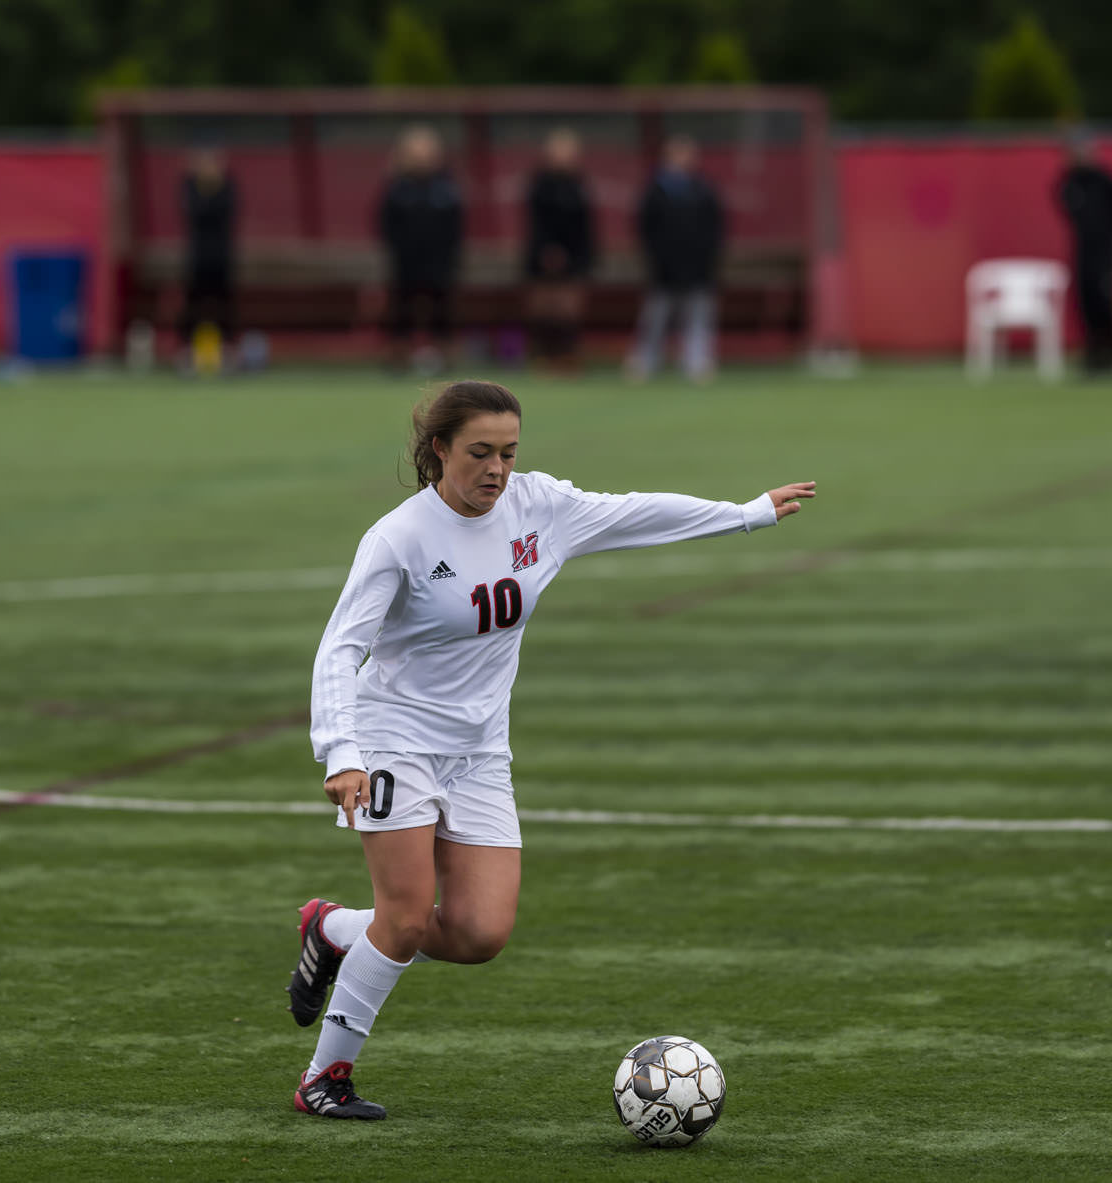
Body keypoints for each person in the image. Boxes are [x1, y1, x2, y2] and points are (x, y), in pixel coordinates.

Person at [288, 379, 814, 1119]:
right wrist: (341, 751)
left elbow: (633, 512)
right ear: (439, 450)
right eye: (479, 452)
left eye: (507, 451)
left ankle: (333, 927)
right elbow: (340, 648)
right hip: (392, 740)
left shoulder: (540, 506)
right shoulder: (399, 537)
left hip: (479, 752)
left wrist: (747, 515)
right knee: (405, 918)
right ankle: (325, 1078)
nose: (496, 469)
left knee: (478, 933)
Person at [630, 135, 724, 384]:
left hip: (697, 263)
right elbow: (645, 228)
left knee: (699, 315)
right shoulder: (656, 190)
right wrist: (655, 256)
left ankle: (697, 362)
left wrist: (707, 254)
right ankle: (645, 362)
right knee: (656, 315)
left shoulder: (703, 189)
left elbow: (714, 227)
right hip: (664, 264)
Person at [377, 128, 464, 374]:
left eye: (427, 152)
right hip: (406, 264)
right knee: (402, 310)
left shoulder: (447, 189)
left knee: (442, 310)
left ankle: (447, 360)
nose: (422, 158)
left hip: (440, 263)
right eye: (416, 152)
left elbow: (455, 227)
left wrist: (449, 256)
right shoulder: (396, 189)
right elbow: (386, 226)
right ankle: (397, 359)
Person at [1054, 129, 1112, 376]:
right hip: (1083, 251)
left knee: (1105, 300)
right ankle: (1093, 353)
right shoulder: (1070, 182)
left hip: (1106, 251)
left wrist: (1108, 233)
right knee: (1085, 301)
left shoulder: (1105, 181)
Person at [522, 129, 596, 373]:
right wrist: (546, 250)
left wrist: (582, 256)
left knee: (568, 310)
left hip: (574, 257)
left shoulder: (580, 186)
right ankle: (543, 357)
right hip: (542, 257)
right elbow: (535, 223)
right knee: (544, 310)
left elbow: (586, 226)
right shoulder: (539, 186)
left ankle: (567, 357)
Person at [179, 147, 238, 372]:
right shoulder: (190, 185)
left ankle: (228, 349)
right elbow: (197, 212)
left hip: (221, 255)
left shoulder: (228, 185)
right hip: (197, 256)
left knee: (224, 302)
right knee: (194, 302)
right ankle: (187, 350)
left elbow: (224, 211)